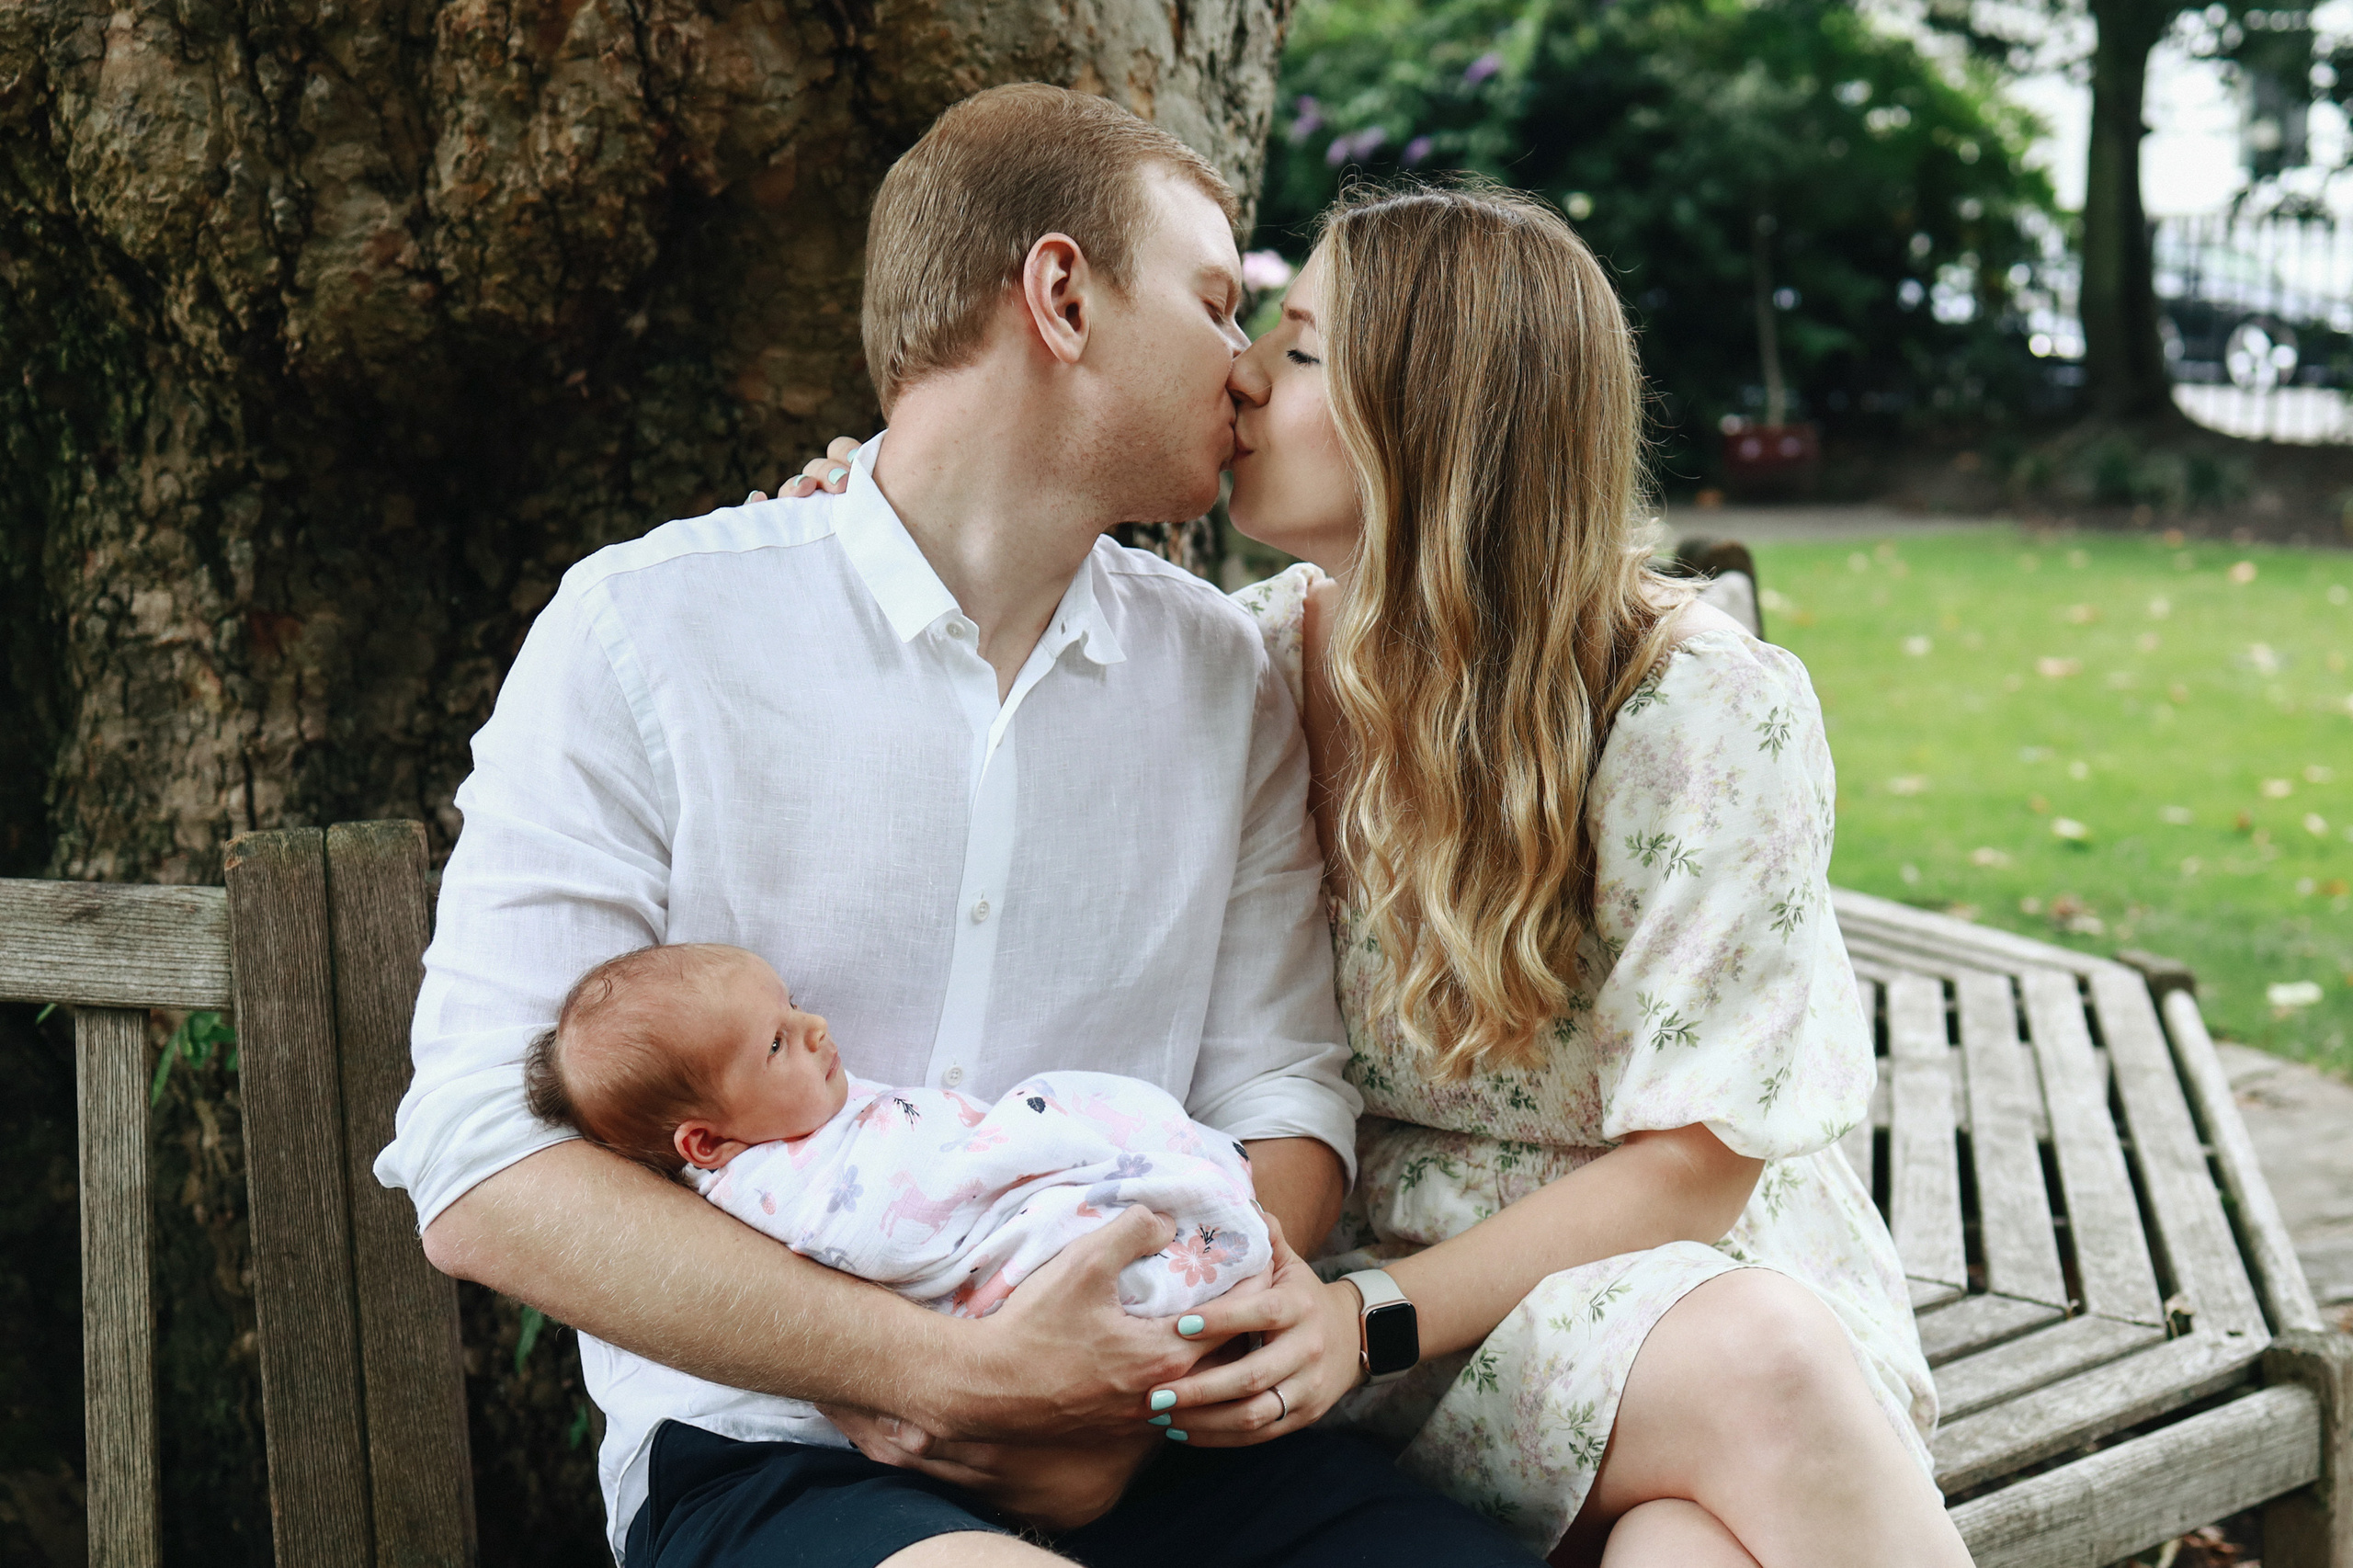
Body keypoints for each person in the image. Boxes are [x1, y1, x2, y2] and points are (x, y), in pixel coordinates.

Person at [378, 84, 1544, 1568]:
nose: (1246, 369)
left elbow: (1286, 1104)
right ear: (1061, 296)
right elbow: (482, 1161)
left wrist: (1124, 1382)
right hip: (780, 1453)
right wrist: (944, 1370)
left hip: (1166, 1430)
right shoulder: (645, 634)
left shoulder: (1223, 678)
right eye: (1209, 301)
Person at [779, 181, 1976, 1567]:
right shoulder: (1236, 669)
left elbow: (1695, 1170)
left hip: (1640, 1295)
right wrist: (866, 521)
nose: (1235, 373)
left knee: (1719, 1461)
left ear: (1430, 422)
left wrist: (1371, 1318)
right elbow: (983, 671)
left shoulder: (1691, 705)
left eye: (1292, 351)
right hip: (1345, 1325)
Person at [522, 941, 1272, 1321]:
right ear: (706, 1144)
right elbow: (900, 1233)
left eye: (794, 1007)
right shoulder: (775, 1190)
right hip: (998, 1254)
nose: (813, 1029)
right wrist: (1018, 1147)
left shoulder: (788, 1117)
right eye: (777, 1043)